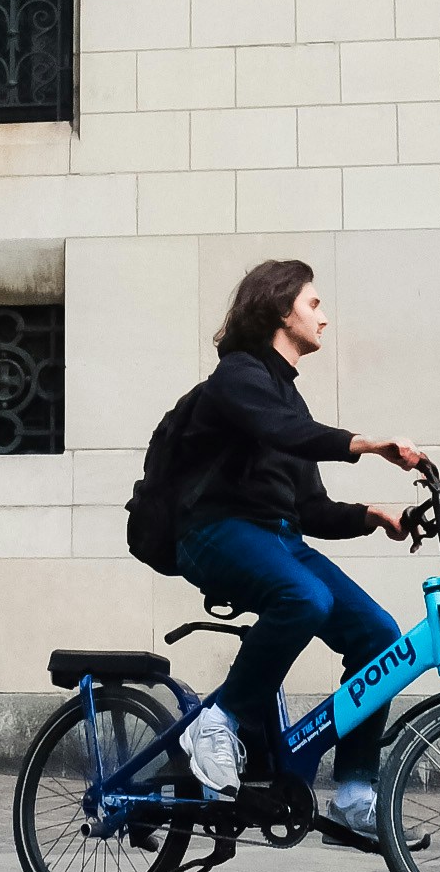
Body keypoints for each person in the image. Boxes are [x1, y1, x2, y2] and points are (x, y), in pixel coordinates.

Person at [170, 256, 425, 839]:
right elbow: (284, 434)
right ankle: (219, 720)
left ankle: (356, 790)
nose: (325, 318)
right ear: (280, 309)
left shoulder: (289, 401)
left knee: (380, 637)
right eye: (314, 304)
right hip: (214, 530)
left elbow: (307, 510)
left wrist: (374, 516)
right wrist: (369, 443)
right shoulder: (237, 378)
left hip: (277, 538)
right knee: (305, 597)